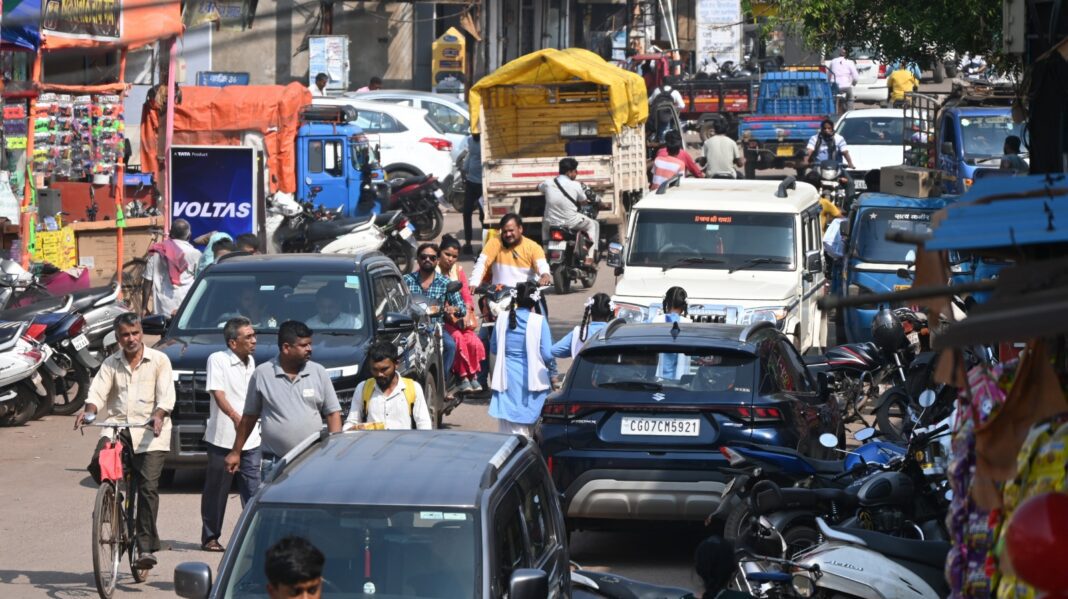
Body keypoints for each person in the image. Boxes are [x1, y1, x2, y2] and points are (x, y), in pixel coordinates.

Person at [75, 313, 174, 570]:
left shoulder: (159, 360)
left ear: (142, 333)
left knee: (148, 488)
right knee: (99, 465)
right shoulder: (110, 363)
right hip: (118, 429)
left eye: (135, 333)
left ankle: (144, 547)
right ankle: (112, 502)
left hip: (150, 432)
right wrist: (88, 412)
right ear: (118, 338)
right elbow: (97, 392)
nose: (131, 339)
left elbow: (166, 396)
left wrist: (159, 415)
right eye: (125, 335)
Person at [227, 321, 342, 477]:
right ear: (286, 348)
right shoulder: (262, 374)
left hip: (313, 461)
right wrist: (236, 452)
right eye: (304, 345)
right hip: (275, 463)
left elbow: (332, 413)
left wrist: (335, 450)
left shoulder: (319, 372)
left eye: (310, 344)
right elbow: (249, 418)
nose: (310, 349)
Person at [201, 317, 260, 553]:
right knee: (217, 490)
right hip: (223, 437)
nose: (254, 341)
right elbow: (218, 393)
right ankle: (210, 537)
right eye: (248, 337)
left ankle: (256, 535)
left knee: (253, 490)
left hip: (252, 437)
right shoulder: (218, 360)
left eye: (254, 336)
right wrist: (236, 417)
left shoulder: (252, 362)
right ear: (233, 342)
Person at [489, 282, 553, 438]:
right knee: (529, 429)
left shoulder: (502, 318)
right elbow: (548, 355)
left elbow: (494, 348)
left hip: (506, 378)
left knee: (508, 432)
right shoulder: (539, 321)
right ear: (535, 301)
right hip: (531, 380)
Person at [403, 243, 464, 375]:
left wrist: (454, 309)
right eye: (424, 257)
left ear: (437, 260)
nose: (428, 260)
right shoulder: (405, 281)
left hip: (436, 329)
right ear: (418, 259)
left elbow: (461, 307)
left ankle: (443, 382)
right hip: (411, 328)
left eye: (432, 257)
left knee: (450, 347)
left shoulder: (445, 283)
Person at [345, 341, 432, 430]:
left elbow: (424, 425)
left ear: (396, 364)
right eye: (375, 370)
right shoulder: (362, 389)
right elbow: (351, 422)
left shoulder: (413, 388)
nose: (379, 374)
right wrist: (351, 429)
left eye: (384, 369)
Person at [437, 235, 484, 392]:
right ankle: (462, 376)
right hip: (441, 320)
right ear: (440, 252)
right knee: (456, 338)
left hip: (459, 318)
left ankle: (473, 376)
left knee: (473, 340)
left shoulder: (458, 271)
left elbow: (466, 296)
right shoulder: (433, 271)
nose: (450, 259)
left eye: (454, 256)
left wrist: (465, 312)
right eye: (447, 254)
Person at [539, 158, 601, 265]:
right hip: (571, 222)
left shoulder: (548, 183)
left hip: (551, 222)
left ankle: (545, 252)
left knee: (545, 225)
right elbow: (583, 201)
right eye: (575, 171)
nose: (576, 173)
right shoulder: (576, 185)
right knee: (592, 225)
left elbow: (539, 188)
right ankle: (589, 258)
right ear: (569, 172)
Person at [469, 213, 552, 288]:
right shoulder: (495, 242)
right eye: (504, 232)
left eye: (511, 230)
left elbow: (541, 264)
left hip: (526, 296)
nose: (508, 234)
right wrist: (474, 282)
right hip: (498, 297)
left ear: (520, 229)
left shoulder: (533, 247)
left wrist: (545, 276)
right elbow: (482, 263)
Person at [144, 218, 201, 317]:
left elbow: (147, 282)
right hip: (186, 308)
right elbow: (200, 282)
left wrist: (144, 307)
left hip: (162, 309)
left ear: (170, 233)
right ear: (189, 235)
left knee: (165, 333)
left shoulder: (157, 251)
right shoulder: (196, 254)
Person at [551, 293, 613, 358]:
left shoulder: (579, 332)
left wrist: (574, 350)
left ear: (590, 312)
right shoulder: (615, 331)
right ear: (610, 313)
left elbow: (554, 350)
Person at [461, 133, 484, 255]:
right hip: (471, 182)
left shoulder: (486, 140)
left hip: (483, 184)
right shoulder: (470, 140)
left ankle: (485, 244)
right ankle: (468, 243)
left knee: (484, 216)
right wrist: (464, 169)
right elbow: (470, 155)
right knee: (466, 212)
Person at [827, 48, 860, 112]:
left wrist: (829, 83)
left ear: (839, 54)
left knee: (833, 99)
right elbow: (855, 77)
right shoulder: (850, 62)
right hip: (846, 87)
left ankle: (832, 111)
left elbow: (828, 75)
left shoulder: (833, 61)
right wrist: (853, 83)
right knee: (850, 99)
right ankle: (850, 113)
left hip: (835, 86)